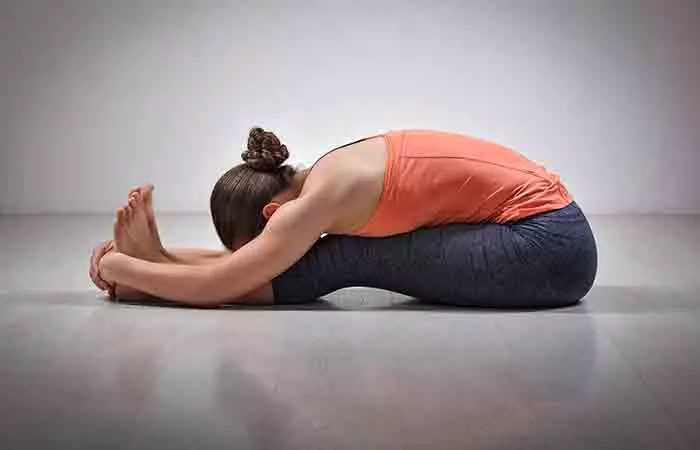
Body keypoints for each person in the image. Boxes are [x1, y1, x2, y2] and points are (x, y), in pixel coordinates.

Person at [91, 127, 597, 308]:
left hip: (548, 249)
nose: (270, 252)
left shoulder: (313, 205)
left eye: (262, 241)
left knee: (345, 257)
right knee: (335, 253)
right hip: (550, 232)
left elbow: (227, 280)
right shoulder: (326, 172)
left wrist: (123, 270)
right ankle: (159, 268)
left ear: (274, 213)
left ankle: (149, 280)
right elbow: (246, 264)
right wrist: (164, 257)